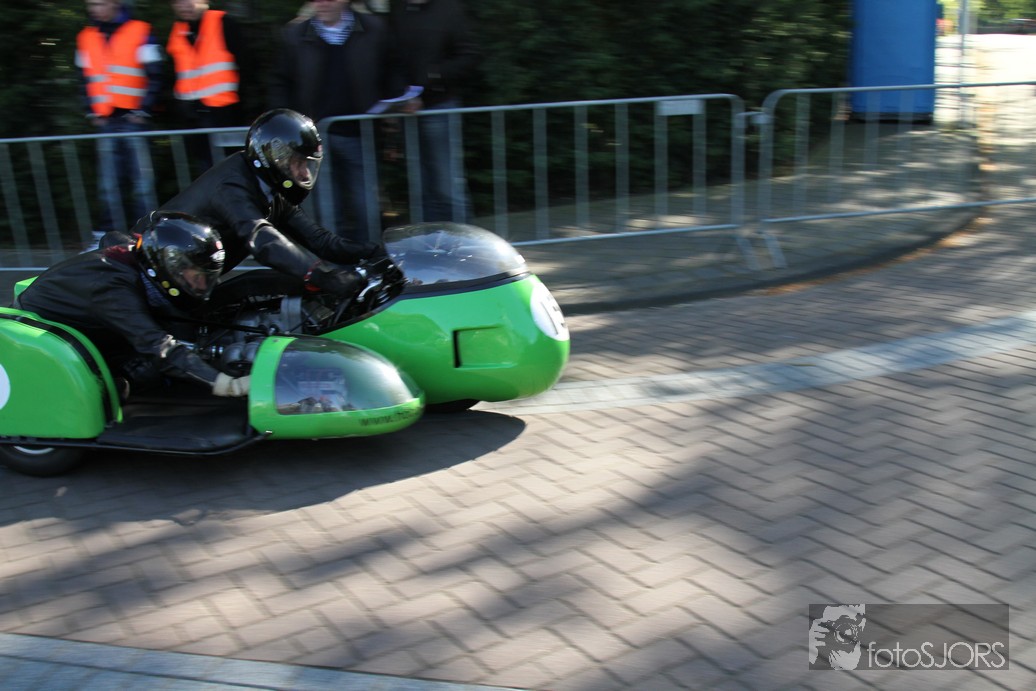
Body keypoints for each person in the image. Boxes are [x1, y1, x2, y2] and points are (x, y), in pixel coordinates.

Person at [132, 108, 384, 298]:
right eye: (298, 163)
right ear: (275, 157)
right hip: (152, 286)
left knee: (286, 288)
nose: (305, 173)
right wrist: (321, 275)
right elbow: (261, 239)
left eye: (308, 164)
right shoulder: (231, 185)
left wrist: (377, 252)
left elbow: (321, 241)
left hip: (192, 283)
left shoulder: (272, 190)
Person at [14, 212, 249, 398]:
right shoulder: (113, 291)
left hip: (88, 322)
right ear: (171, 266)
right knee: (143, 372)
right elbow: (157, 345)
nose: (202, 286)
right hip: (49, 337)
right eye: (196, 277)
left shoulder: (141, 254)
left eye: (207, 278)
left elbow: (112, 237)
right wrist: (226, 384)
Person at [268, 0, 410, 242]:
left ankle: (369, 255)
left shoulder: (374, 28)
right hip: (313, 139)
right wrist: (286, 123)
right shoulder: (295, 35)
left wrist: (398, 101)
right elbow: (281, 82)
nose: (322, 3)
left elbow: (391, 69)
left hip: (360, 133)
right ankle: (334, 259)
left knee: (365, 203)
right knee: (327, 208)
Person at [390, 0, 481, 223]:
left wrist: (432, 78)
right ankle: (433, 242)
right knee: (422, 189)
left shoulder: (448, 9)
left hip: (440, 106)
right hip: (408, 110)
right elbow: (393, 59)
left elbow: (469, 54)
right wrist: (404, 95)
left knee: (447, 186)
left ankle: (463, 241)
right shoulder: (399, 10)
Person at [76, 0, 162, 237]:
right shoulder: (86, 36)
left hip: (133, 119)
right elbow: (83, 77)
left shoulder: (140, 30)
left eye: (100, 4)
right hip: (106, 119)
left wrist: (143, 110)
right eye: (92, 4)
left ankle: (147, 236)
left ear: (115, 4)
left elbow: (155, 73)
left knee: (143, 185)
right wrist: (91, 111)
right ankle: (107, 238)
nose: (94, 9)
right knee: (108, 186)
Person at [166, 0, 252, 175]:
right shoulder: (177, 32)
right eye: (177, 2)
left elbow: (247, 66)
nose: (183, 5)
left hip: (225, 114)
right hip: (193, 117)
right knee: (207, 173)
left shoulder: (224, 23)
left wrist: (243, 105)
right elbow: (175, 75)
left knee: (234, 170)